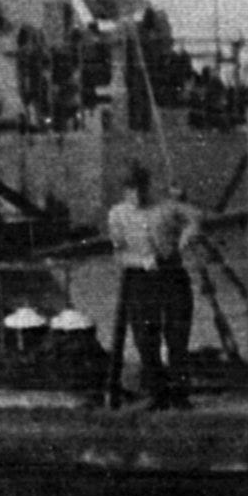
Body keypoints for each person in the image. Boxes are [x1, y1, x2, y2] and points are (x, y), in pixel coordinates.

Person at [106, 163, 202, 407]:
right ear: (123, 191)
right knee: (146, 339)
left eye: (140, 189)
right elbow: (118, 254)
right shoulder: (117, 215)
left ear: (147, 187)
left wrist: (186, 236)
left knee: (177, 338)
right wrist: (139, 260)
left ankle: (180, 396)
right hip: (140, 280)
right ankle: (157, 394)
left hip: (172, 276)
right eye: (130, 190)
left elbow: (196, 218)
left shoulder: (166, 207)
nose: (136, 196)